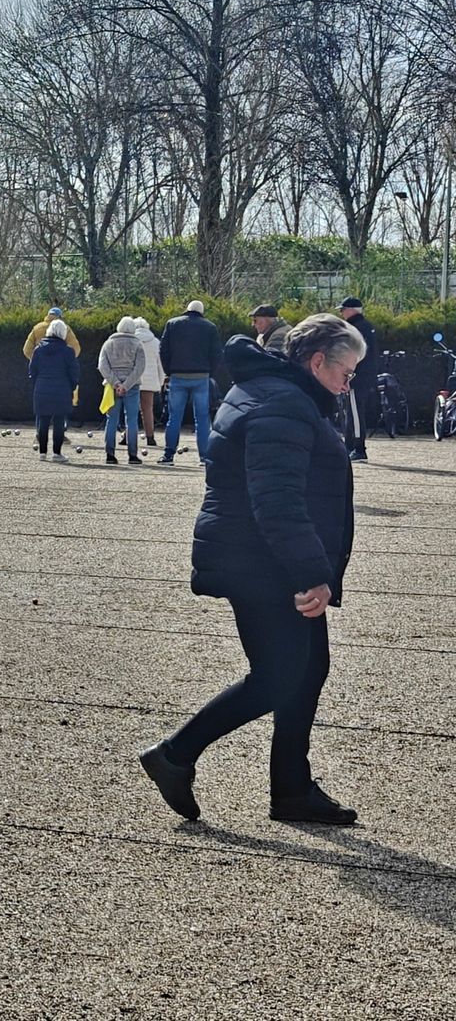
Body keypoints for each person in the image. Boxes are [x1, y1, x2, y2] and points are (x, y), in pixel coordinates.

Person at [139, 315, 363, 826]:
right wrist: (312, 573)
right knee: (279, 675)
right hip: (262, 561)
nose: (351, 383)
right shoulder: (283, 403)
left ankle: (292, 788)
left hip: (266, 555)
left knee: (308, 668)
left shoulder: (274, 391)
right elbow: (277, 501)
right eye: (347, 372)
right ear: (316, 362)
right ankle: (174, 754)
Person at [159, 299, 221, 466]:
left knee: (174, 418)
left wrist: (169, 371)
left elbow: (163, 350)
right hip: (201, 377)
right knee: (202, 418)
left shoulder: (172, 324)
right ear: (201, 312)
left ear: (187, 310)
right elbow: (216, 354)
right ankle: (204, 457)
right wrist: (210, 373)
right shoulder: (210, 327)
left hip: (178, 376)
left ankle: (168, 455)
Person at [28, 320, 80, 462]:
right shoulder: (68, 351)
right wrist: (72, 386)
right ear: (63, 333)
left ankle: (42, 453)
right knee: (59, 421)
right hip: (62, 389)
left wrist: (38, 383)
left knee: (43, 421)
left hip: (42, 388)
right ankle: (57, 453)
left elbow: (32, 371)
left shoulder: (38, 350)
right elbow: (74, 373)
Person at [98, 316, 148, 465]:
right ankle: (132, 455)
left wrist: (115, 383)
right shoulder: (138, 344)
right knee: (132, 421)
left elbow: (102, 366)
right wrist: (125, 385)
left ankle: (110, 454)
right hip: (132, 387)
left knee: (111, 420)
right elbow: (140, 368)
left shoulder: (108, 344)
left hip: (111, 387)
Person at [339, 297, 379, 462]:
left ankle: (358, 448)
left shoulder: (356, 328)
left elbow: (357, 355)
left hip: (358, 376)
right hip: (365, 374)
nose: (341, 313)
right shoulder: (366, 327)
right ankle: (350, 446)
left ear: (351, 310)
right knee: (352, 410)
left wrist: (348, 374)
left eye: (343, 309)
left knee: (354, 411)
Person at [132, 317, 163, 447]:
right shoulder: (155, 342)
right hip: (150, 380)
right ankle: (150, 437)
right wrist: (160, 381)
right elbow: (160, 364)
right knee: (147, 410)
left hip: (133, 380)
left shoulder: (132, 341)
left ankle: (128, 436)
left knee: (131, 410)